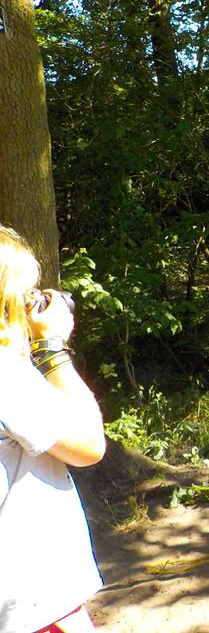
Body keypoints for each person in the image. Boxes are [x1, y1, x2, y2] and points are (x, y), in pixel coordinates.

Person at [0, 226, 105, 632]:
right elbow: (89, 445)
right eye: (24, 293)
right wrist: (51, 347)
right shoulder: (7, 378)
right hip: (32, 604)